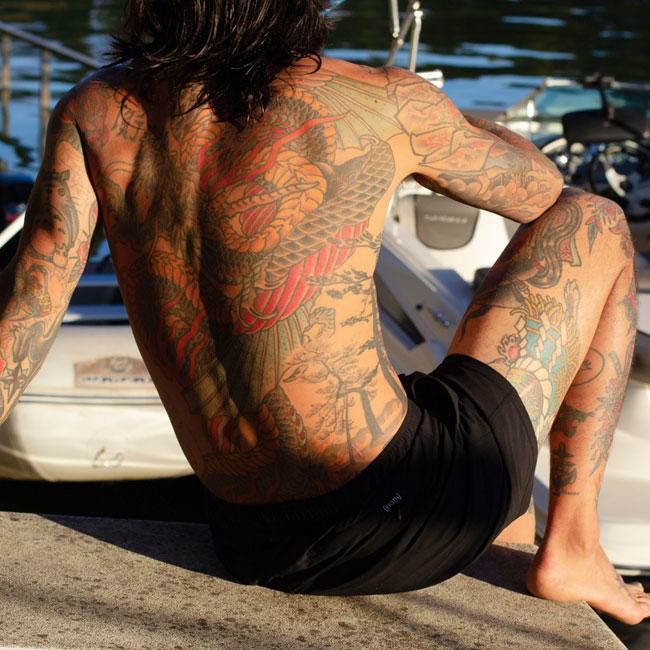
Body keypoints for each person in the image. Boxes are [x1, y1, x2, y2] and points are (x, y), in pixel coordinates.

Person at [1, 0, 648, 624]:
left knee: (446, 410)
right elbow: (543, 189)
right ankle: (576, 545)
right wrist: (446, 121)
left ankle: (515, 537)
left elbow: (25, 313)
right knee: (595, 218)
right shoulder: (379, 99)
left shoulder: (93, 109)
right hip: (397, 516)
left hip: (249, 538)